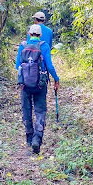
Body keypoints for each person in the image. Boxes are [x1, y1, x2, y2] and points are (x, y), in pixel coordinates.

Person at [16, 24, 59, 154]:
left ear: (29, 34)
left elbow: (17, 65)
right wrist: (56, 79)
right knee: (40, 111)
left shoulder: (22, 46)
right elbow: (50, 66)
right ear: (40, 35)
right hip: (40, 84)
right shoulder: (44, 46)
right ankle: (37, 139)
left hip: (25, 84)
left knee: (26, 109)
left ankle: (29, 138)